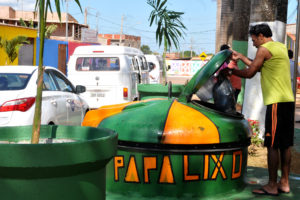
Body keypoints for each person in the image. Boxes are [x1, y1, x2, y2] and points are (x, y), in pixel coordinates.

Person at [227, 23, 294, 196]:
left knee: (272, 144)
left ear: (262, 36)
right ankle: (284, 183)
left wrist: (231, 71)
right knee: (285, 145)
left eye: (254, 39)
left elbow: (250, 73)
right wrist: (241, 57)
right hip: (288, 101)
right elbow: (258, 67)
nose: (254, 43)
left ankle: (272, 185)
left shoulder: (263, 49)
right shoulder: (280, 47)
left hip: (276, 102)